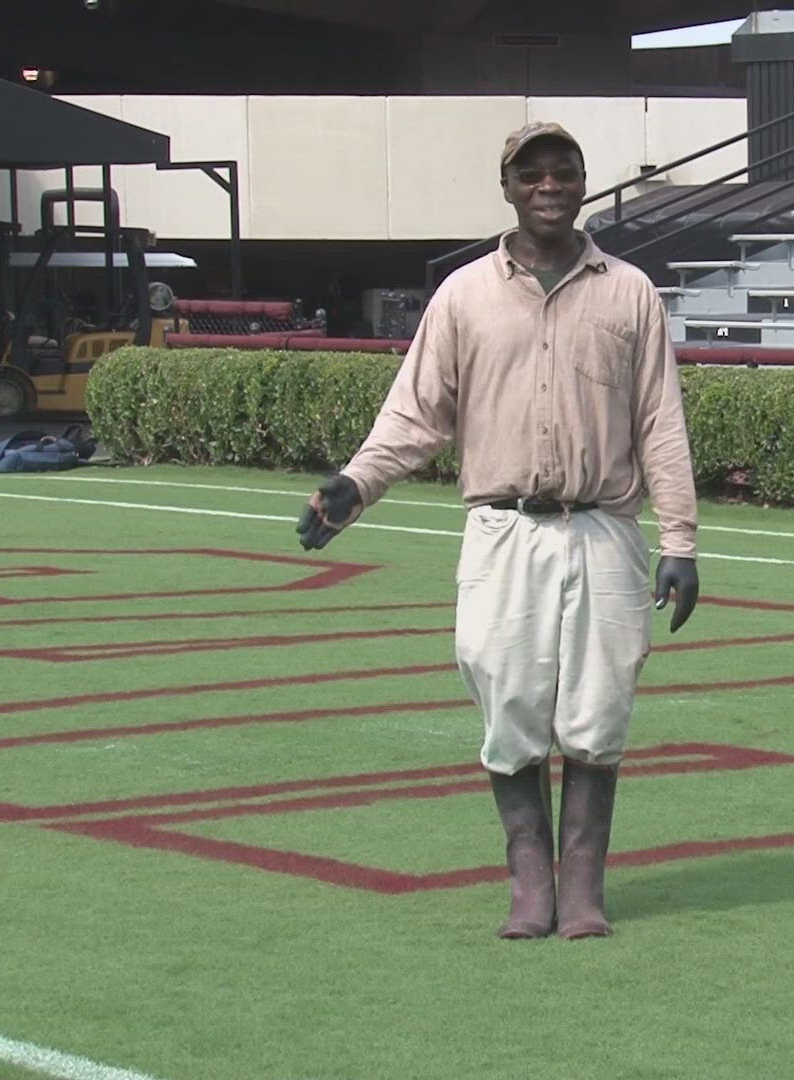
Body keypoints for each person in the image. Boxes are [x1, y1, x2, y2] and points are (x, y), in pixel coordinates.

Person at [294, 122, 699, 940]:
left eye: (565, 172)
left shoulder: (628, 292)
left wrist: (680, 543)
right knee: (510, 706)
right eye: (532, 174)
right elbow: (414, 415)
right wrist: (354, 484)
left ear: (584, 183)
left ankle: (580, 889)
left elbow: (661, 422)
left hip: (602, 531)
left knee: (597, 712)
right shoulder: (465, 296)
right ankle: (529, 887)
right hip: (502, 531)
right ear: (507, 186)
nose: (550, 186)